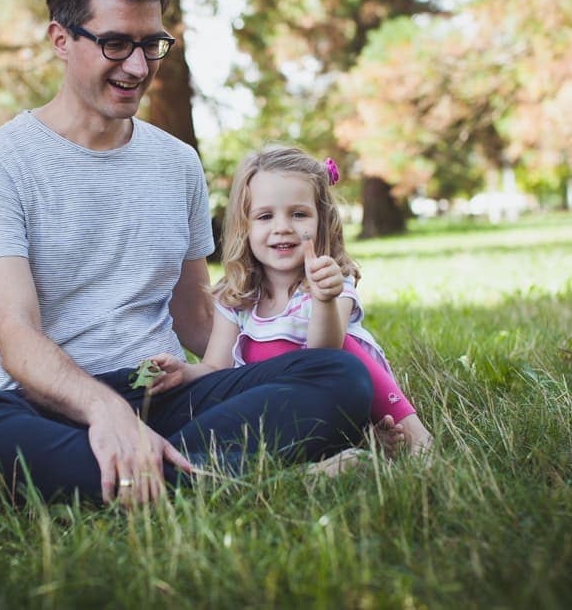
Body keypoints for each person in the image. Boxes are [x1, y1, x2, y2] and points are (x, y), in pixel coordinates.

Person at [0, 0, 374, 506]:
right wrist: (104, 410)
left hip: (162, 391)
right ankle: (222, 477)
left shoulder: (177, 161)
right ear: (60, 40)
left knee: (337, 377)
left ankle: (152, 477)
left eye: (151, 44)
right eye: (115, 43)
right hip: (52, 408)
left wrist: (307, 339)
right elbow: (16, 337)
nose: (138, 67)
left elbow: (195, 317)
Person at [147, 146, 433, 457]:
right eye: (265, 216)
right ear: (245, 227)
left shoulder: (333, 281)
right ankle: (353, 443)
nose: (282, 227)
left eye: (298, 214)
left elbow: (325, 358)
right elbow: (216, 367)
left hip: (337, 393)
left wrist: (325, 300)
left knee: (347, 349)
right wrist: (184, 373)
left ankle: (415, 434)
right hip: (287, 408)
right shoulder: (237, 296)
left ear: (321, 220)